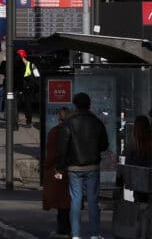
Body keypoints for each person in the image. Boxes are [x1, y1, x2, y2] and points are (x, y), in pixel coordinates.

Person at [55, 92, 109, 239]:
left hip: (74, 167)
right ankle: (94, 234)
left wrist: (59, 167)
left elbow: (62, 148)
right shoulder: (96, 122)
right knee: (93, 201)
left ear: (75, 105)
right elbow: (104, 144)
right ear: (89, 105)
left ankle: (76, 234)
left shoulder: (69, 123)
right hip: (92, 166)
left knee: (75, 201)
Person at [43, 107, 72, 238]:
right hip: (72, 169)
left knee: (61, 200)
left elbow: (51, 154)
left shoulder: (55, 132)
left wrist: (47, 166)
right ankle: (69, 228)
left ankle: (63, 228)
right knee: (69, 199)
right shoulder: (74, 131)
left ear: (59, 118)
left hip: (58, 170)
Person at [124, 115, 151, 203]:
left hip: (138, 184)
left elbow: (127, 167)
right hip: (150, 182)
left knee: (139, 206)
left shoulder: (131, 147)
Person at [18, 49, 40, 127]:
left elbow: (37, 76)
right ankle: (27, 121)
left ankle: (28, 121)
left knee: (27, 105)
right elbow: (37, 75)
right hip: (25, 87)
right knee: (25, 105)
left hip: (28, 88)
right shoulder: (31, 65)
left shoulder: (30, 65)